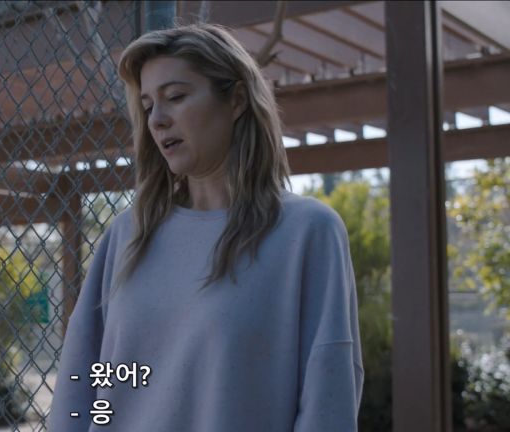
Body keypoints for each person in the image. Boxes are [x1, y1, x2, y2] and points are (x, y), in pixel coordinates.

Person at [50, 23, 364, 431]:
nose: (157, 120)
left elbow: (329, 396)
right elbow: (81, 380)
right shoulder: (127, 235)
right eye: (148, 106)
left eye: (175, 97)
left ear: (236, 100)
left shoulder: (308, 232)